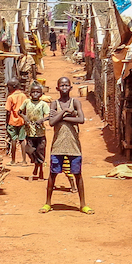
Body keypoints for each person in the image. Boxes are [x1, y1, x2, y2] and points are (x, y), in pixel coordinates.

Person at [41, 76, 92, 214]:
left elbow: (81, 119)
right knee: (53, 174)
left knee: (77, 174)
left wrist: (60, 117)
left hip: (73, 145)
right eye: (61, 85)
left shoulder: (75, 102)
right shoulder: (54, 104)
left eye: (66, 85)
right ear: (57, 88)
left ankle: (83, 204)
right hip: (57, 145)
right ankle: (48, 203)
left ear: (70, 87)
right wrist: (64, 112)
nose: (64, 87)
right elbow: (52, 122)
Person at [22, 82, 50, 181]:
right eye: (33, 92)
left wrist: (42, 120)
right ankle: (36, 165)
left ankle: (40, 169)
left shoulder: (43, 104)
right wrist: (24, 117)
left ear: (41, 94)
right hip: (29, 131)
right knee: (29, 150)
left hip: (40, 132)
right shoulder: (26, 102)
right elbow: (20, 111)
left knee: (40, 151)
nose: (35, 94)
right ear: (30, 93)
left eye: (37, 92)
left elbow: (48, 115)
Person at [4, 80, 28, 164]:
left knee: (13, 140)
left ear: (13, 87)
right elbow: (26, 108)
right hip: (21, 121)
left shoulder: (10, 97)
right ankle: (24, 160)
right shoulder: (23, 96)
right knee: (22, 140)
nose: (8, 88)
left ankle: (13, 160)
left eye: (8, 87)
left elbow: (8, 111)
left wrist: (6, 122)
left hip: (12, 121)